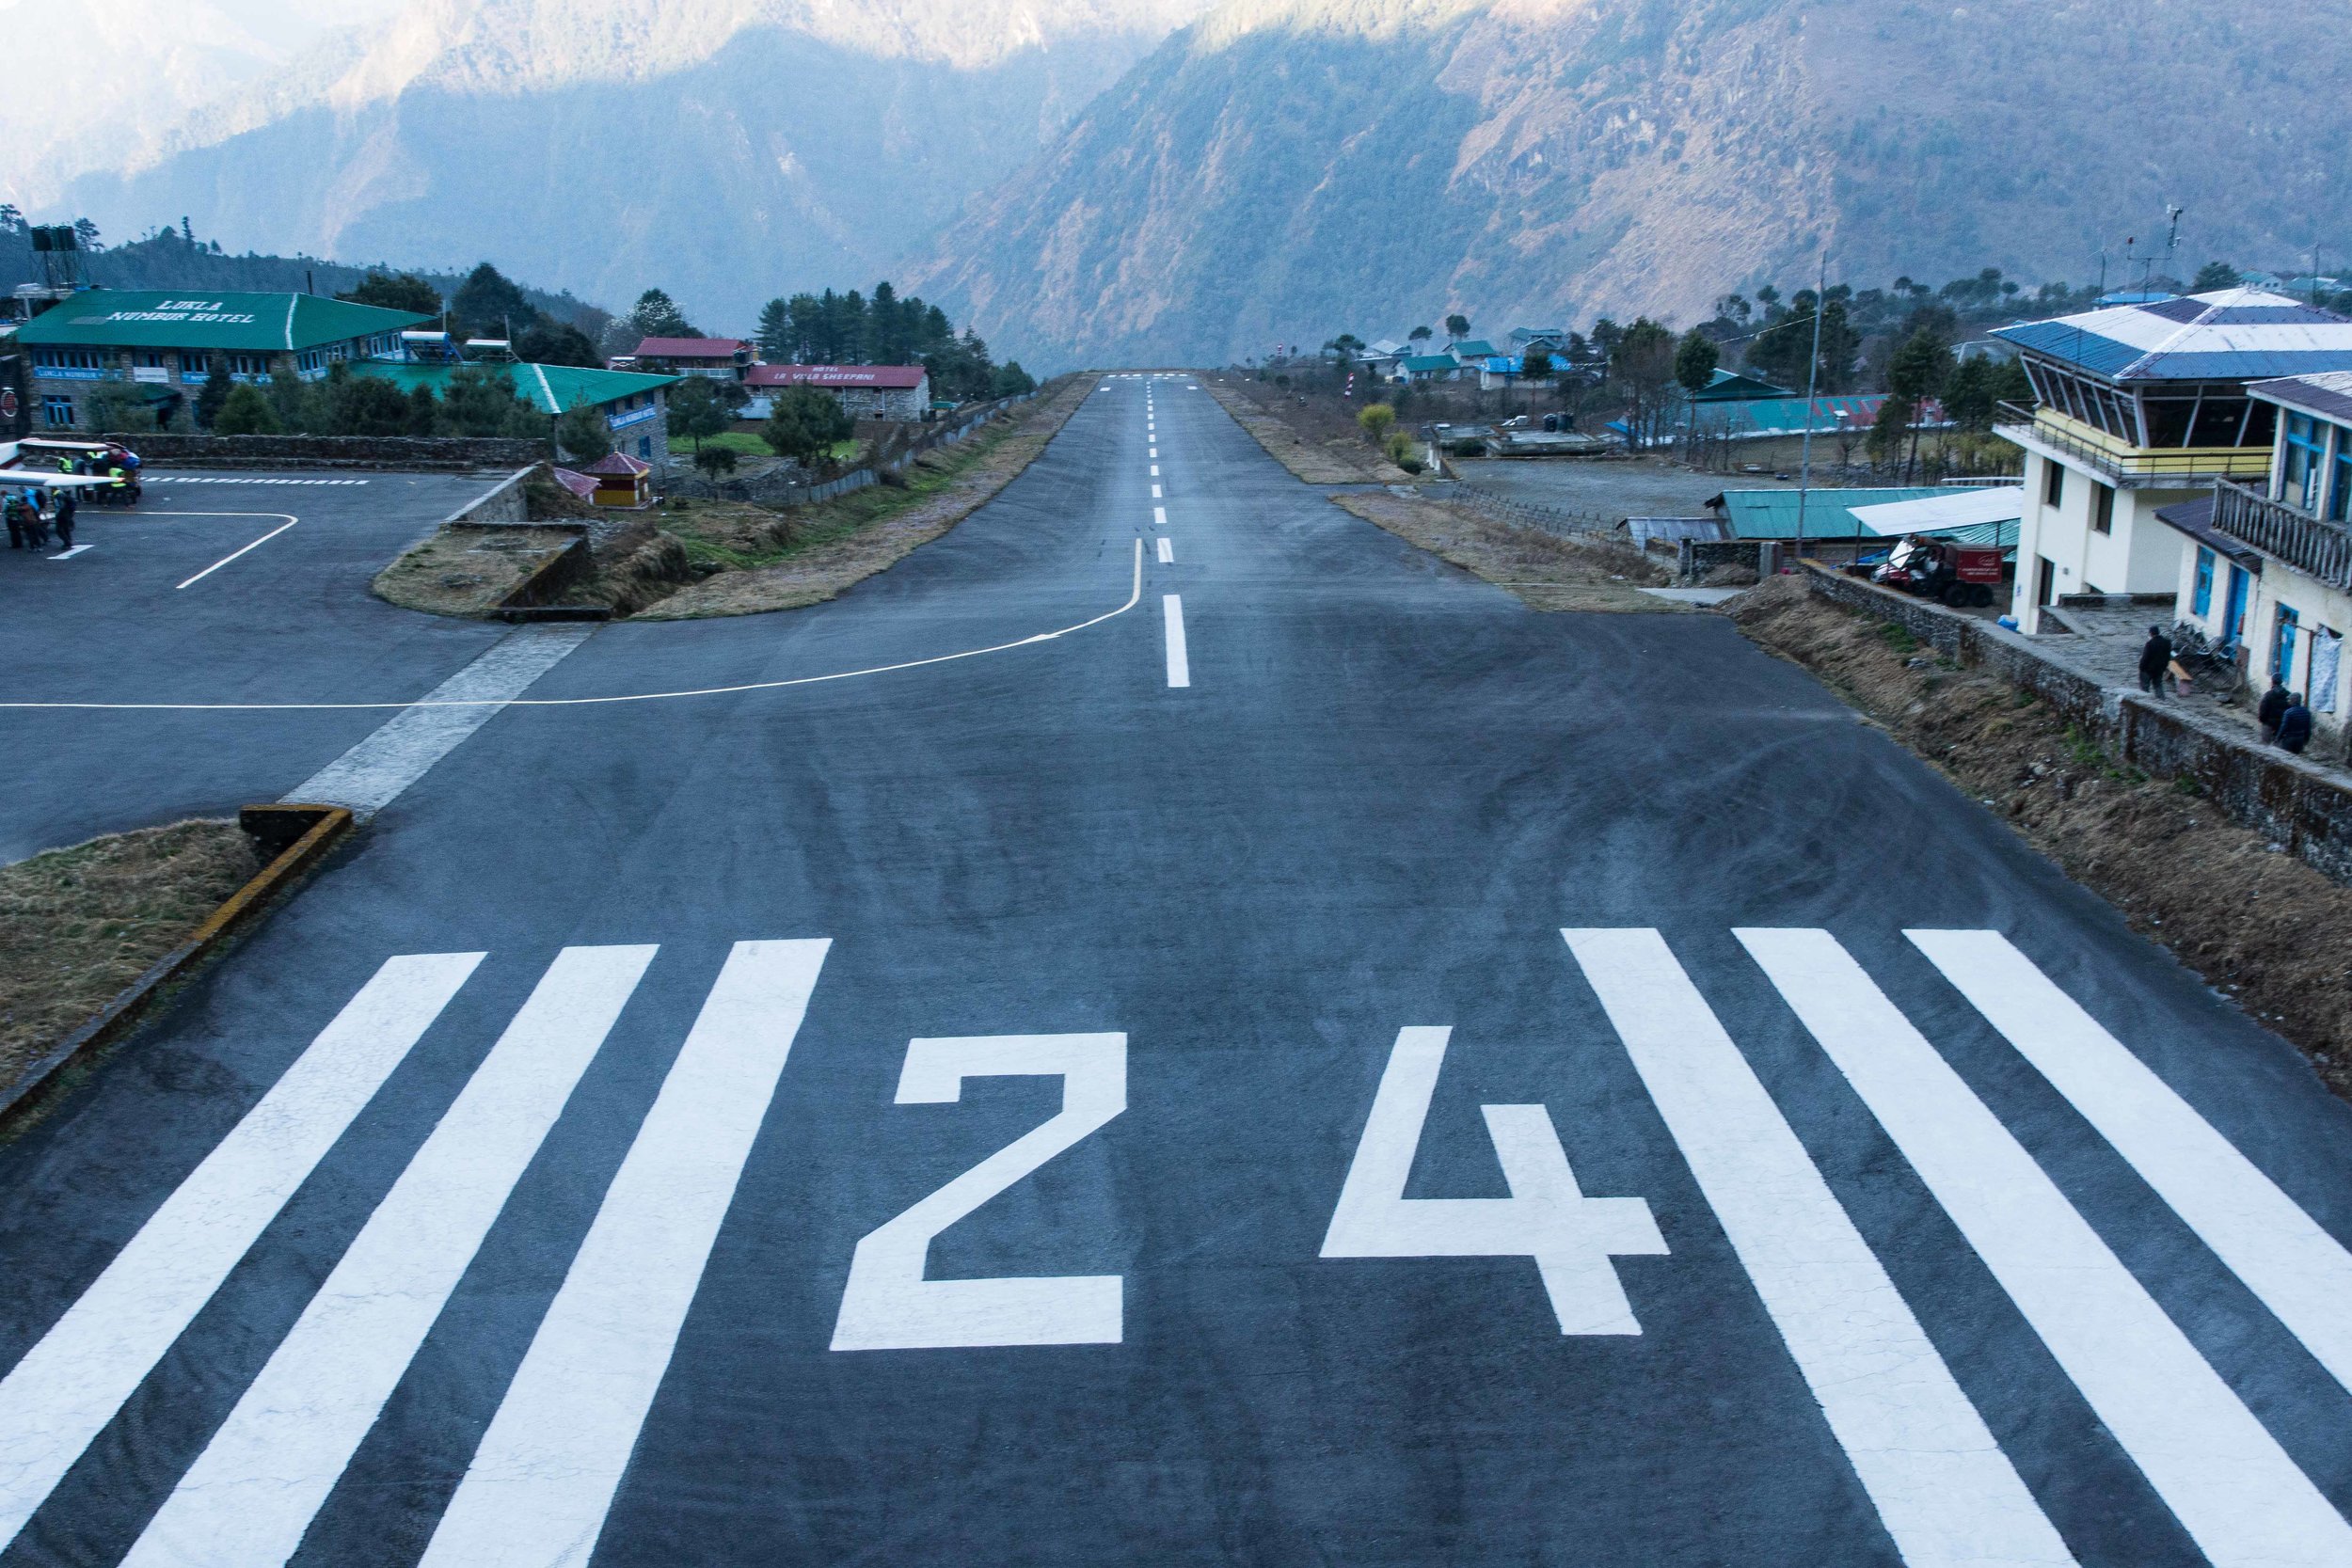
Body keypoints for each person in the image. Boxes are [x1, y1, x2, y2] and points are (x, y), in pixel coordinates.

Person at [2137, 625, 2171, 697]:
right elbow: (2168, 657)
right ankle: (2162, 701)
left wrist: (2141, 668)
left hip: (2148, 670)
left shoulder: (2150, 644)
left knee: (2144, 687)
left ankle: (2145, 701)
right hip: (2160, 669)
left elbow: (2145, 658)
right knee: (2158, 686)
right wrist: (2164, 667)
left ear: (2151, 633)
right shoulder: (2167, 642)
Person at [2259, 677, 2292, 742]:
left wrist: (2263, 720)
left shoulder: (2268, 694)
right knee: (2278, 746)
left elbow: (2263, 709)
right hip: (2282, 724)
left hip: (2269, 723)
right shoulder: (2288, 694)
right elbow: (2290, 709)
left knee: (2265, 744)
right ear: (2281, 682)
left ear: (2272, 682)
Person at [51, 485, 75, 550]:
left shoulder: (57, 496)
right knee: (66, 529)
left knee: (59, 530)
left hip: (61, 515)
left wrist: (58, 514)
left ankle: (67, 543)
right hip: (67, 515)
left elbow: (60, 506)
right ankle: (69, 541)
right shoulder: (63, 495)